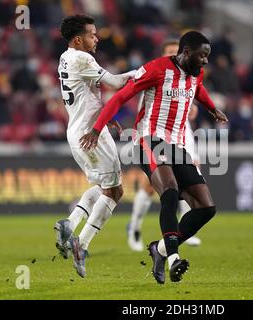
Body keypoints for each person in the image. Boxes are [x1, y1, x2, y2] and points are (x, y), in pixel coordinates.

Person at [79, 31, 228, 284]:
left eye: (207, 56)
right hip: (148, 138)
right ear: (187, 52)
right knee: (169, 191)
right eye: (202, 56)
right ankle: (172, 259)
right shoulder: (155, 69)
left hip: (177, 143)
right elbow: (120, 96)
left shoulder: (196, 74)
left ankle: (158, 250)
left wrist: (212, 108)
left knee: (206, 208)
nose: (205, 62)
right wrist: (96, 128)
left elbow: (197, 89)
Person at [53, 14, 136, 278]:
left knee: (103, 188)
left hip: (77, 130)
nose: (97, 38)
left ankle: (71, 223)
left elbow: (85, 94)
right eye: (92, 34)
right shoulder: (82, 57)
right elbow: (115, 82)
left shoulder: (65, 58)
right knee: (115, 192)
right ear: (78, 39)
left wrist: (106, 117)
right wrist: (141, 73)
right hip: (92, 134)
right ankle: (83, 243)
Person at [127, 40, 202, 252]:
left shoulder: (188, 75)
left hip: (180, 131)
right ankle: (134, 227)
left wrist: (194, 107)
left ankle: (182, 231)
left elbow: (191, 101)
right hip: (156, 132)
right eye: (169, 53)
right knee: (151, 185)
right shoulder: (156, 74)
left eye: (175, 52)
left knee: (188, 175)